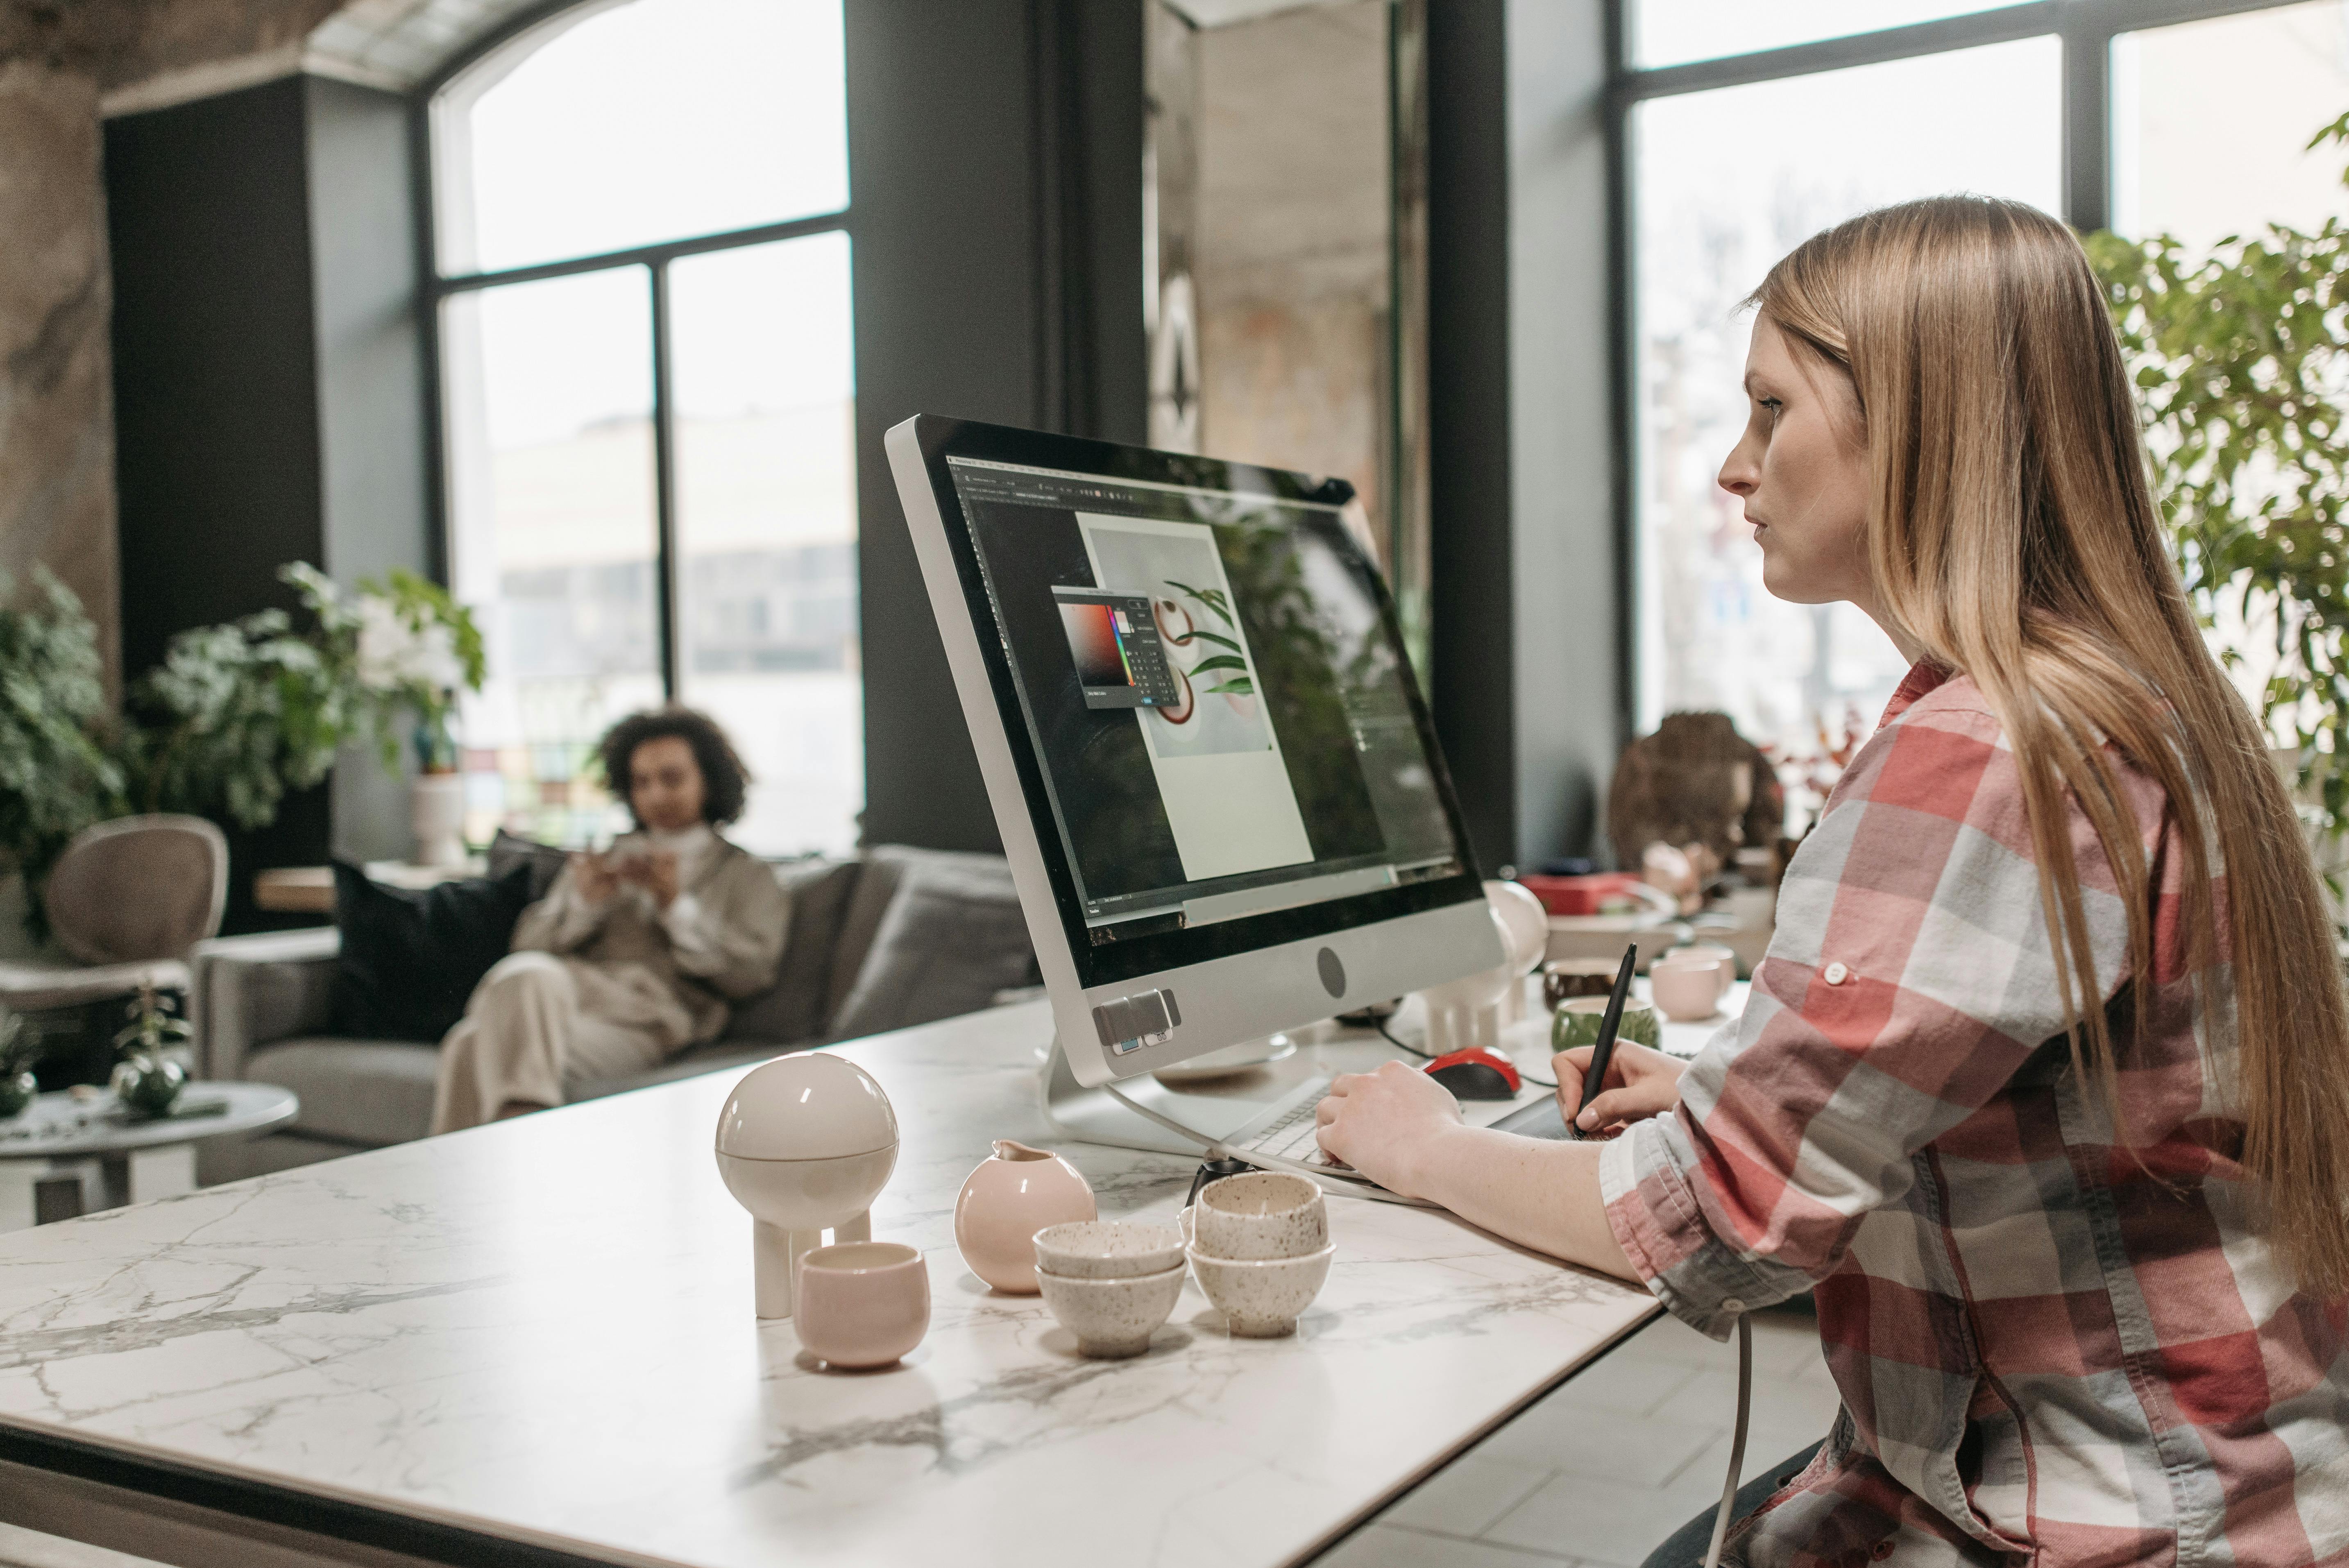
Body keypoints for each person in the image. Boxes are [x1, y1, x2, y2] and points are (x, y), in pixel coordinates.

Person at [1316, 197, 2349, 1566]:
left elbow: (1702, 1226)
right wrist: (1715, 1090)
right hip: (2250, 1473)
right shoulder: (2121, 701)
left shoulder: (1987, 752)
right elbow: (2005, 1092)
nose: (1732, 470)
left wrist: (1421, 1146)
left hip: (2122, 1517)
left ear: (1923, 423)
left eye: (1768, 409)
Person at [430, 707, 789, 1133]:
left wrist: (675, 906)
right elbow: (525, 949)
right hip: (563, 1002)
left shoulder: (747, 875)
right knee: (524, 981)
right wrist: (585, 904)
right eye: (642, 782)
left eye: (671, 779)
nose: (656, 795)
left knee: (472, 1044)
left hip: (645, 1022)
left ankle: (490, 1163)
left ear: (709, 780)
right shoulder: (606, 859)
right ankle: (509, 1153)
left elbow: (752, 973)